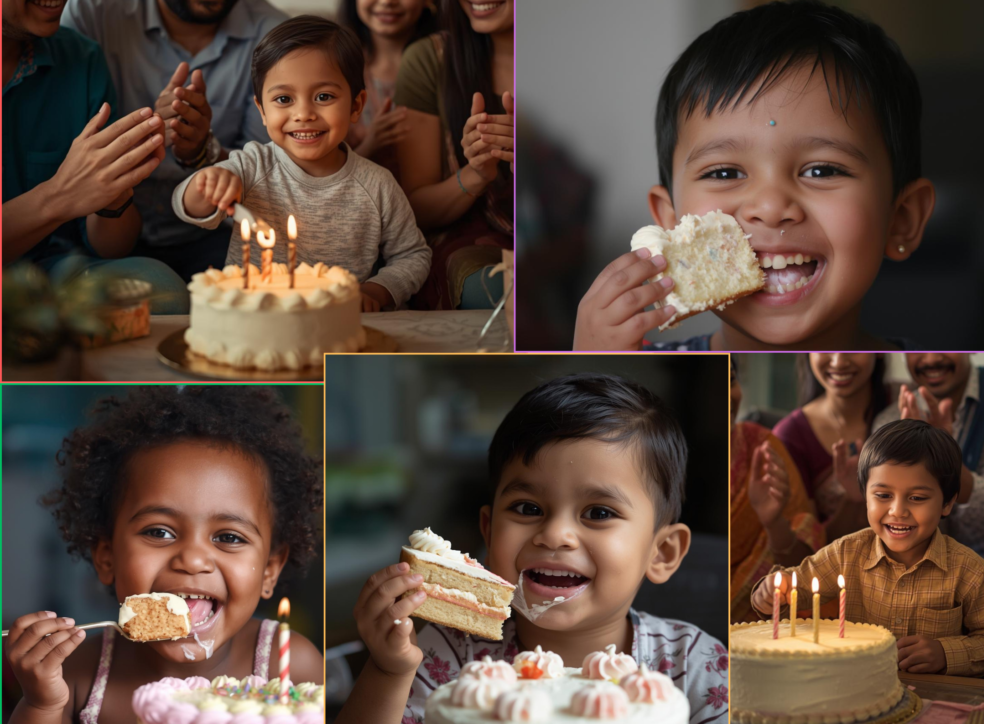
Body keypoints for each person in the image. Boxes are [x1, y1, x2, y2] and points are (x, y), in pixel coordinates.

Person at [342, 374, 728, 724]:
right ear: (489, 532)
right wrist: (389, 670)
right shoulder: (448, 653)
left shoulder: (694, 665)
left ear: (662, 552)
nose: (555, 534)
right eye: (528, 508)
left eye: (598, 512)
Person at [573, 1, 935, 351]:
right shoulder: (632, 364)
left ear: (901, 219)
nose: (771, 207)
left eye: (822, 170)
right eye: (726, 172)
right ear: (670, 222)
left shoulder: (926, 375)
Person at [4, 387, 323, 723]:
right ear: (106, 557)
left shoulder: (289, 665)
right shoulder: (76, 676)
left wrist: (385, 673)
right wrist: (42, 704)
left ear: (270, 570)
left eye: (228, 537)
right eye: (159, 532)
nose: (193, 560)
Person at [172, 16, 431, 312]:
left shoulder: (377, 185)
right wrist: (205, 187)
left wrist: (377, 290)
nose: (304, 113)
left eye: (324, 96)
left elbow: (413, 255)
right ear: (262, 110)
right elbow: (187, 208)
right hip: (253, 321)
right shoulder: (252, 165)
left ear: (356, 105)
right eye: (284, 99)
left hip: (338, 327)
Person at [751, 419, 984, 677]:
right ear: (864, 496)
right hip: (855, 697)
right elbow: (795, 586)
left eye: (917, 498)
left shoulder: (970, 572)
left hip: (933, 702)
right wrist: (774, 590)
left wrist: (945, 653)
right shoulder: (846, 553)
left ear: (947, 503)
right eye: (883, 495)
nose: (897, 511)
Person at [62, 0, 289, 281]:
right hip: (99, 229)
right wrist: (143, 140)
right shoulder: (91, 15)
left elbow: (270, 175)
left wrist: (202, 151)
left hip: (216, 233)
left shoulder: (275, 34)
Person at [2, 0, 187, 313]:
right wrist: (58, 197)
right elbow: (63, 195)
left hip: (55, 274)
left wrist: (114, 195)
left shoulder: (81, 57)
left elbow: (112, 248)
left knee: (162, 290)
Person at [392, 0, 513, 310]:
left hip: (557, 231)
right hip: (470, 238)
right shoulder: (429, 60)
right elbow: (415, 210)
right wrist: (476, 174)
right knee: (505, 289)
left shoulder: (576, 53)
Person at [873, 354, 984, 595]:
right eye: (917, 346)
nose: (931, 358)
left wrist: (942, 459)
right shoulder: (891, 418)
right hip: (919, 577)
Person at [731, 359, 823, 623]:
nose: (727, 396)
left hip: (763, 628)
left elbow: (805, 569)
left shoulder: (761, 445)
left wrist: (773, 521)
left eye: (731, 381)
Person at [773, 354, 889, 542]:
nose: (838, 362)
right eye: (824, 348)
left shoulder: (907, 407)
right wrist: (852, 501)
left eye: (852, 348)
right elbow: (807, 549)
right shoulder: (790, 436)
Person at [339, 0, 436, 178]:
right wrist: (370, 145)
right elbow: (325, 172)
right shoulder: (337, 68)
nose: (387, 2)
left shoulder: (445, 62)